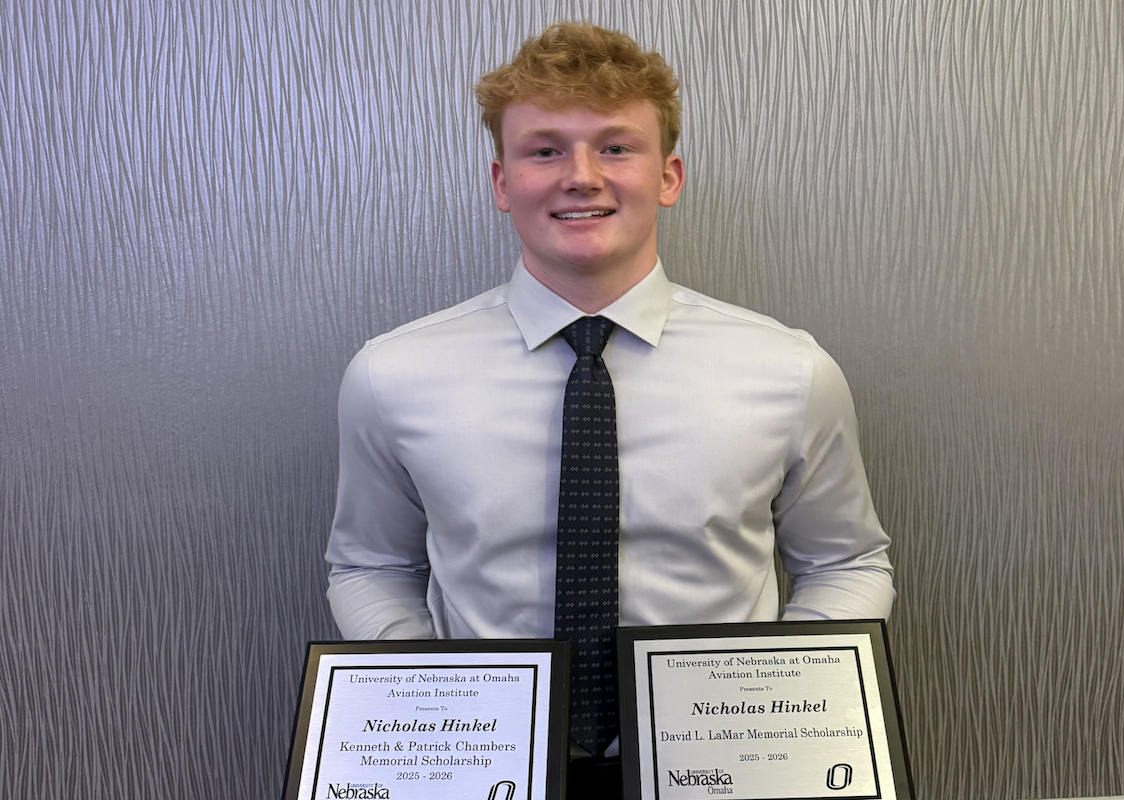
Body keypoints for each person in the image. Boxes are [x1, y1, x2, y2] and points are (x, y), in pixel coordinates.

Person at [325, 21, 893, 799]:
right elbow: (371, 567)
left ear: (669, 175)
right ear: (501, 181)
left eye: (616, 147)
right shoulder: (392, 375)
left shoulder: (791, 372)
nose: (582, 176)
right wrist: (434, 702)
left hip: (729, 774)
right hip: (483, 773)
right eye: (545, 149)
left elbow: (846, 562)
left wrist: (782, 702)